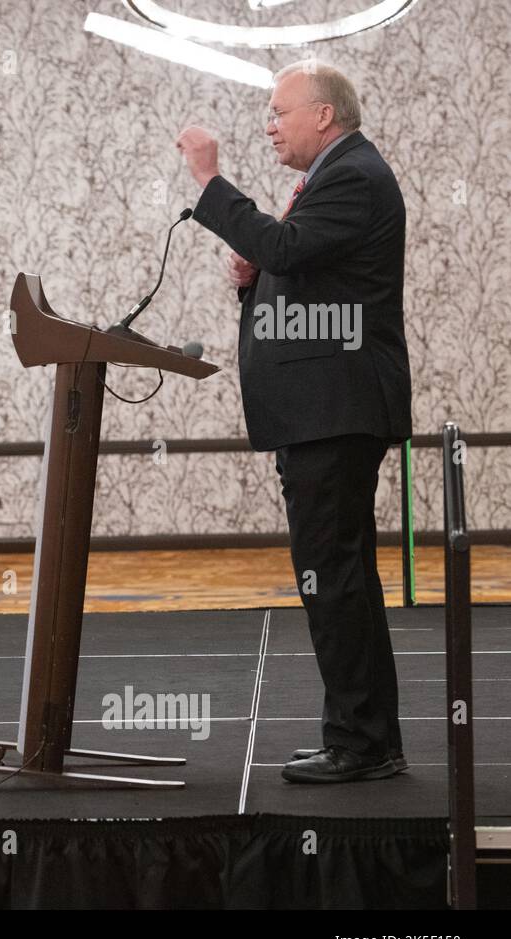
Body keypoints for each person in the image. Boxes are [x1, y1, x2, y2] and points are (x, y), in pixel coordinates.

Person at [176, 60, 411, 784]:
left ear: (324, 116)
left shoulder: (353, 175)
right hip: (323, 412)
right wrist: (261, 281)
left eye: (280, 111)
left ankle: (362, 744)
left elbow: (286, 246)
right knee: (339, 577)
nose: (269, 124)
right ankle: (359, 735)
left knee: (332, 577)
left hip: (334, 414)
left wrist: (211, 182)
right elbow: (297, 261)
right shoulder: (337, 176)